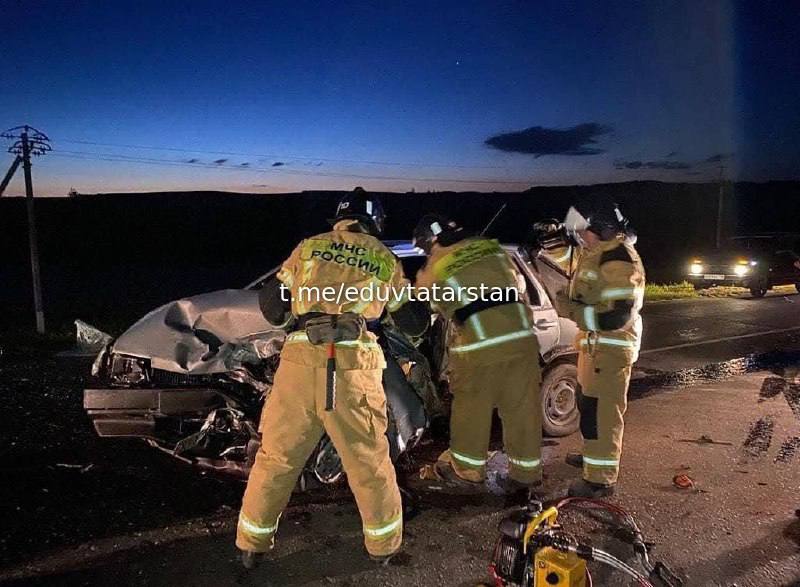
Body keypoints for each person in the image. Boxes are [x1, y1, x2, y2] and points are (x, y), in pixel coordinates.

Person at [236, 188, 427, 568]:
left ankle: (251, 545)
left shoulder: (308, 248)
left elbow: (272, 308)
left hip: (299, 365)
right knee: (369, 463)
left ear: (339, 220)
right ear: (374, 223)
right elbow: (414, 323)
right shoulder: (382, 257)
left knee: (276, 460)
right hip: (354, 369)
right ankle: (383, 549)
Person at [412, 214, 543, 492]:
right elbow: (518, 285)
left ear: (430, 241)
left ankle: (468, 471)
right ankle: (526, 475)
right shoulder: (491, 248)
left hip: (480, 349)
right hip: (522, 341)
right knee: (522, 412)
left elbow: (421, 308)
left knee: (472, 412)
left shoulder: (436, 265)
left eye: (424, 248)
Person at [541, 203, 645, 497]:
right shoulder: (597, 253)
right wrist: (550, 242)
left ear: (601, 229)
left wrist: (572, 311)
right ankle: (593, 457)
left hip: (610, 350)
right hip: (594, 348)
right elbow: (574, 269)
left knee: (602, 416)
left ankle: (600, 480)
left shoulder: (620, 261)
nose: (579, 236)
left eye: (582, 230)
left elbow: (616, 316)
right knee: (588, 407)